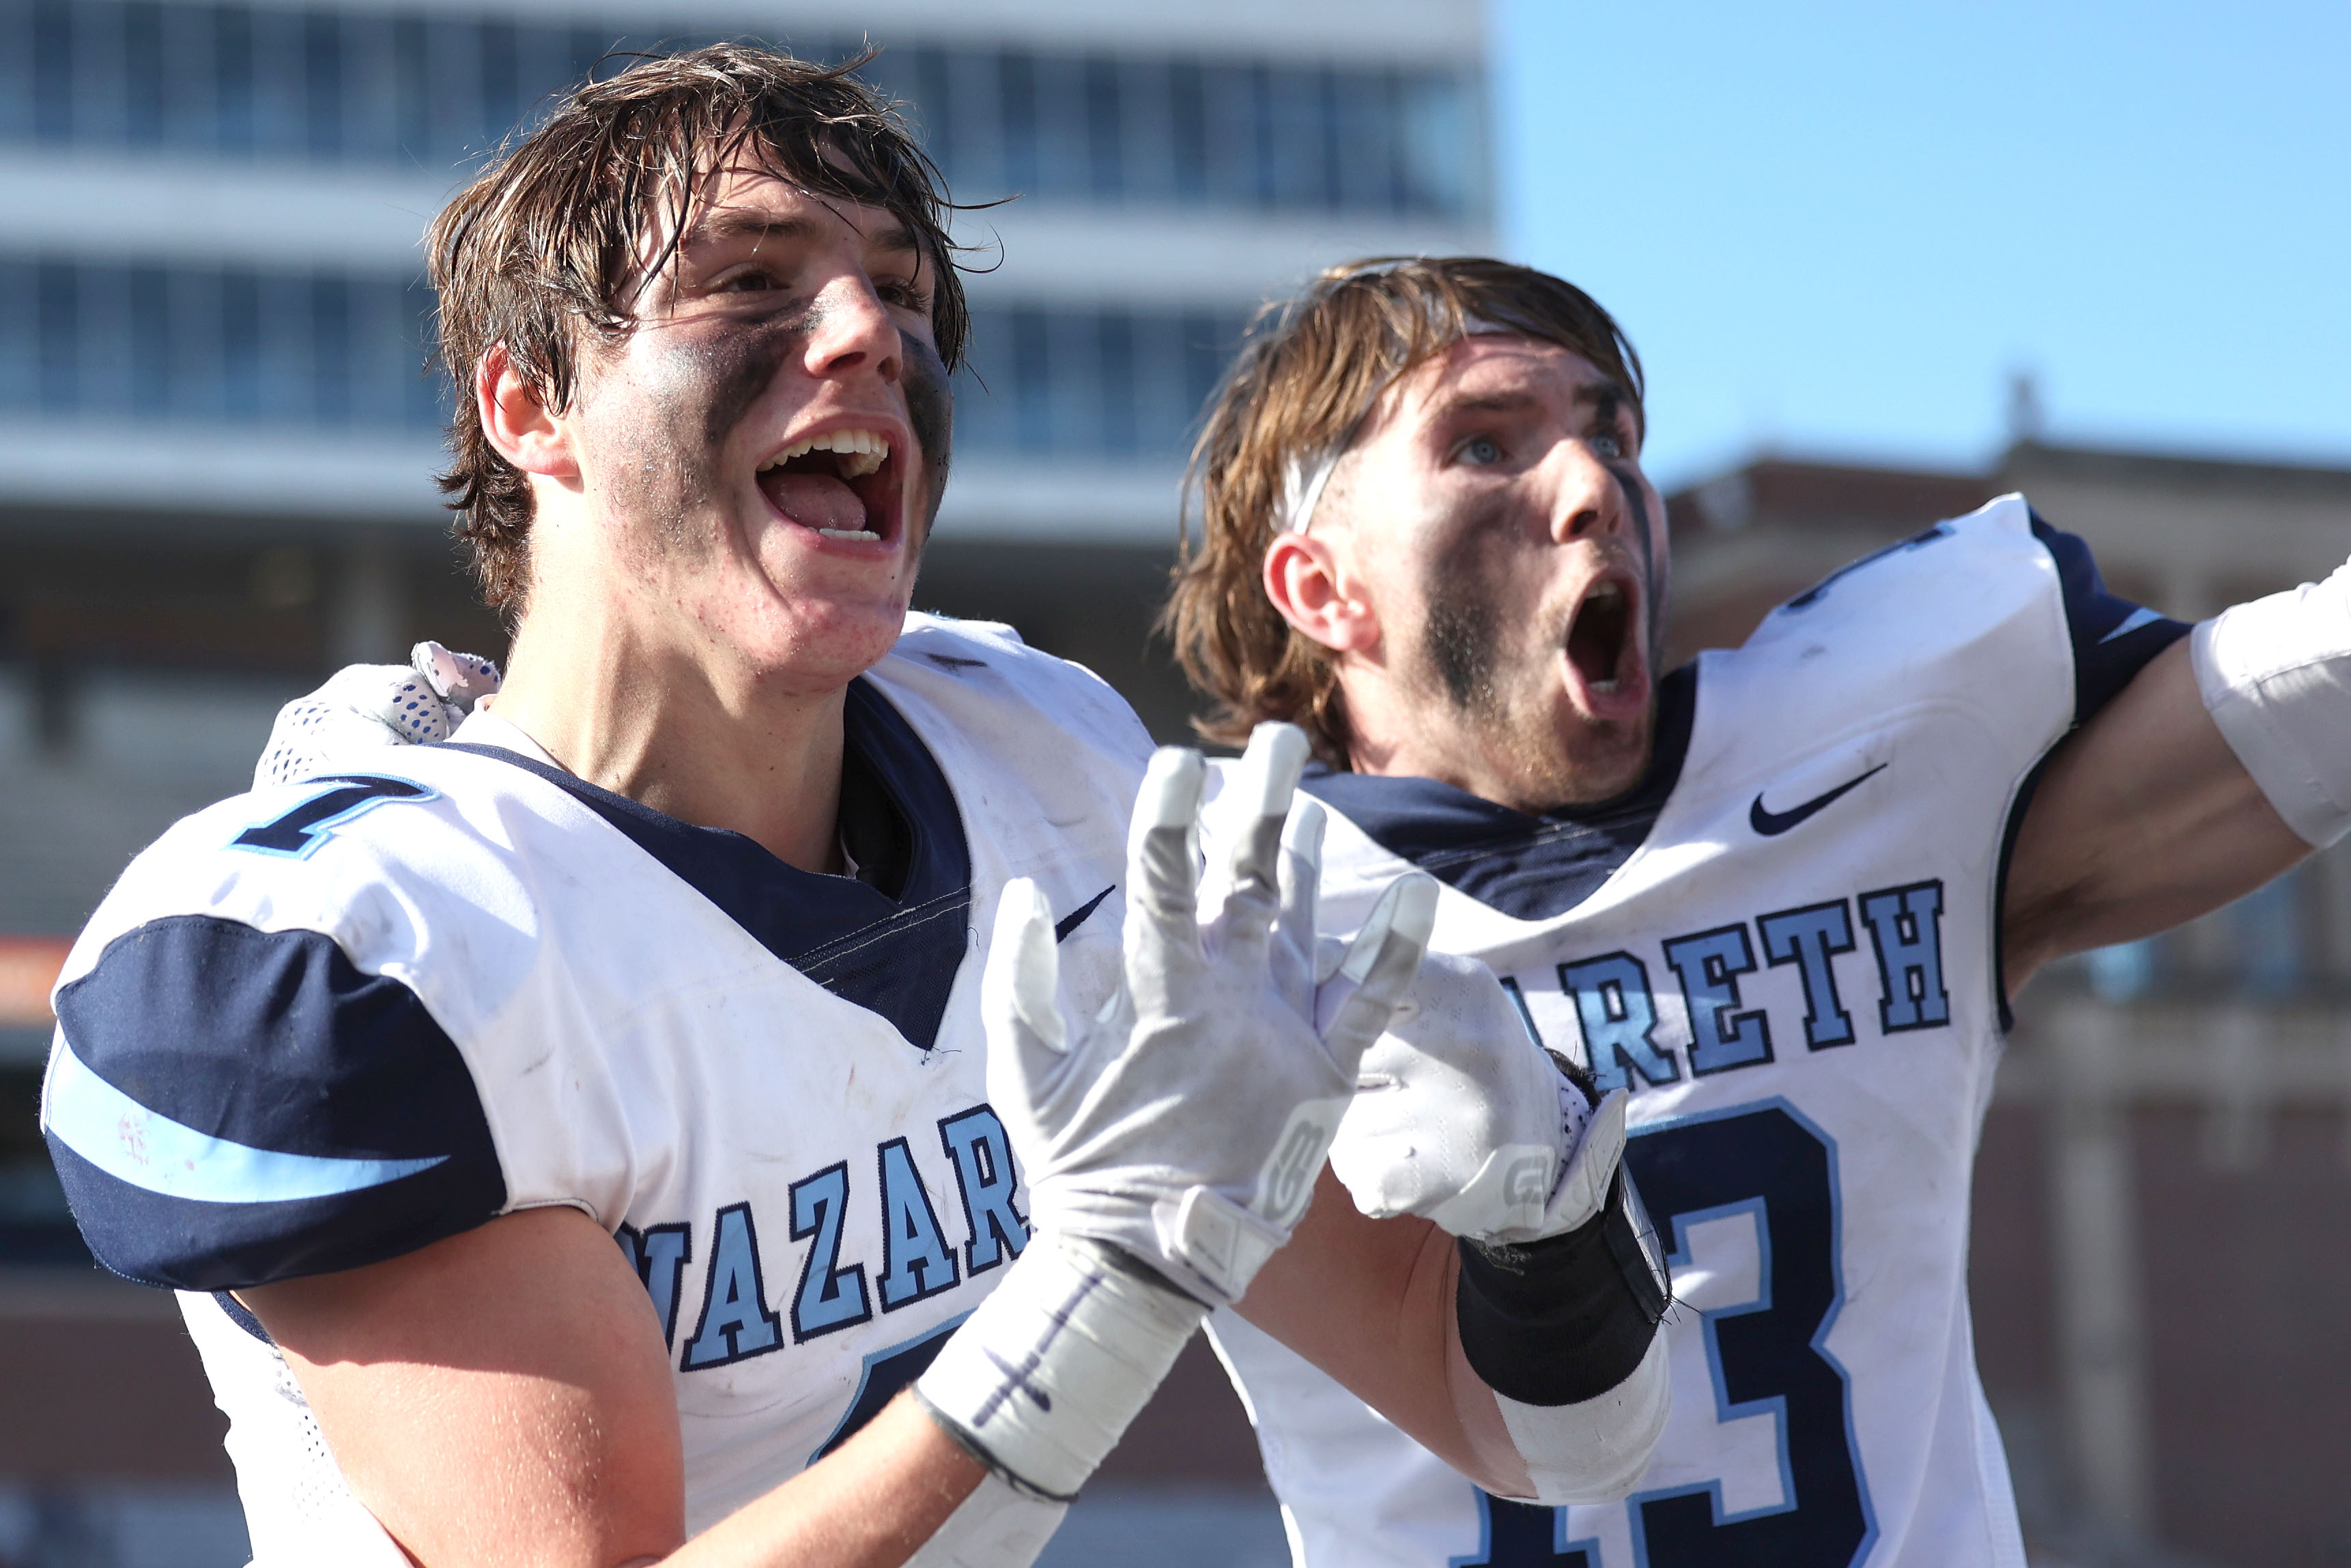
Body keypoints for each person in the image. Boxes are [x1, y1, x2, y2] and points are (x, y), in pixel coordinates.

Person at [37, 59, 1671, 1568]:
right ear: (529, 407)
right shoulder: (366, 949)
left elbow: (1537, 1439)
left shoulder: (1033, 764)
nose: (870, 333)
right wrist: (1101, 1293)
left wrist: (1543, 1204)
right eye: (750, 278)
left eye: (899, 289)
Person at [1162, 255, 2347, 1568]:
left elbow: (2300, 712)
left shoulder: (1866, 761)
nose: (1592, 484)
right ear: (1325, 588)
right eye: (1485, 442)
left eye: (1610, 432)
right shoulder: (1219, 929)